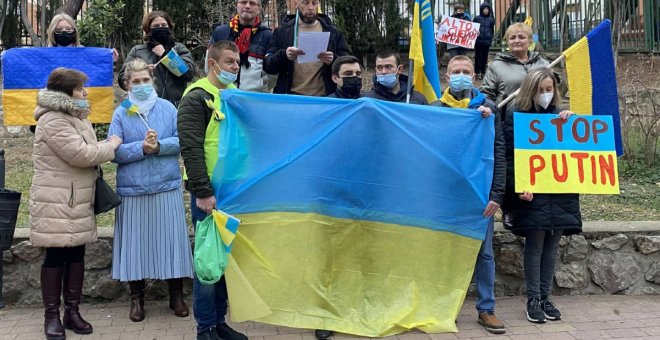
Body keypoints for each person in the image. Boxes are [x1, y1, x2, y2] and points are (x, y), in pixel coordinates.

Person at [30, 67, 122, 340]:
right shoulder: (53, 120)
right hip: (57, 200)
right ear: (67, 91)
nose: (85, 92)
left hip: (76, 197)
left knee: (76, 255)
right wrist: (112, 144)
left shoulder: (75, 116)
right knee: (56, 255)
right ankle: (51, 316)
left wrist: (102, 146)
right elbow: (81, 154)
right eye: (81, 88)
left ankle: (72, 311)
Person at [108, 58, 194, 323]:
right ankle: (137, 299)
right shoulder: (121, 112)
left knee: (172, 243)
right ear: (127, 84)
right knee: (135, 246)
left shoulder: (168, 108)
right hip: (133, 190)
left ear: (152, 80)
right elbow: (114, 152)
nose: (142, 85)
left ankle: (176, 295)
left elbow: (182, 141)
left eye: (146, 80)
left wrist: (159, 147)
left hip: (165, 185)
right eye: (136, 81)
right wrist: (140, 149)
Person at [430, 56, 506, 334]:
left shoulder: (488, 109)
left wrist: (496, 194)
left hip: (479, 194)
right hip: (447, 193)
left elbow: (499, 153)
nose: (461, 75)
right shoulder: (436, 108)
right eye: (455, 72)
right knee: (444, 249)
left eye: (466, 71)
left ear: (475, 77)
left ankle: (486, 309)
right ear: (447, 77)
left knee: (483, 253)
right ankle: (443, 307)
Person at [177, 40, 248, 340]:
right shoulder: (196, 97)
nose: (235, 67)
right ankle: (204, 328)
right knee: (208, 263)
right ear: (212, 63)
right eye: (230, 62)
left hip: (232, 192)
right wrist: (203, 192)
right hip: (209, 194)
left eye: (237, 62)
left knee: (223, 261)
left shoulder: (232, 96)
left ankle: (219, 322)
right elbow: (191, 150)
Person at [503, 68, 581, 324]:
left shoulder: (561, 115)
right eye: (540, 90)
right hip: (531, 193)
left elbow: (577, 151)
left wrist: (572, 121)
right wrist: (518, 185)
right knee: (535, 247)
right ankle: (533, 300)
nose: (546, 94)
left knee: (552, 248)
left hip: (560, 193)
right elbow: (510, 157)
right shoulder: (516, 115)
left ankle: (546, 298)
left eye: (550, 90)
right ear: (529, 90)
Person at [479, 22, 553, 228]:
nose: (516, 41)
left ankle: (533, 207)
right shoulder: (497, 66)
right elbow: (486, 94)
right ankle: (509, 209)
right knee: (511, 169)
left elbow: (556, 89)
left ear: (530, 41)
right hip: (508, 125)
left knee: (534, 167)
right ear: (506, 42)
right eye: (512, 38)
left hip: (537, 127)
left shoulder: (543, 63)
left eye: (521, 37)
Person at [263, 0, 349, 96]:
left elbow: (347, 63)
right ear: (296, 4)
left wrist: (333, 60)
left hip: (324, 99)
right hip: (291, 99)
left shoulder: (333, 32)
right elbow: (268, 65)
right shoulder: (282, 32)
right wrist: (284, 55)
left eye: (314, 3)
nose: (311, 7)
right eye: (305, 2)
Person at [119, 11, 195, 107]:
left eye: (164, 25)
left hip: (176, 106)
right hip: (146, 106)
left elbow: (189, 74)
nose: (160, 28)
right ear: (148, 30)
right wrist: (141, 72)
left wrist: (165, 55)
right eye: (156, 26)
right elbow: (122, 79)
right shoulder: (137, 51)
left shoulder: (179, 49)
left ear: (169, 27)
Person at [209, 0, 275, 92]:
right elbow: (209, 66)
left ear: (259, 9)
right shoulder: (220, 33)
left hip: (254, 99)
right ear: (237, 5)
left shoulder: (268, 35)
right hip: (222, 96)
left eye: (252, 3)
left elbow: (272, 76)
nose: (247, 6)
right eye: (243, 2)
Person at [363, 50, 427, 105]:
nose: (383, 72)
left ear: (399, 69)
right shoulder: (368, 100)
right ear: (375, 70)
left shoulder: (418, 100)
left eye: (388, 67)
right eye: (379, 68)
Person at [473, 2, 495, 79]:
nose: (486, 10)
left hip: (486, 42)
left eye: (487, 9)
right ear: (481, 9)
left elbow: (492, 30)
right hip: (478, 41)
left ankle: (483, 72)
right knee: (478, 57)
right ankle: (477, 72)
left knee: (485, 58)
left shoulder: (491, 20)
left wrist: (490, 38)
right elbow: (473, 29)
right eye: (484, 9)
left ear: (489, 10)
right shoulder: (477, 18)